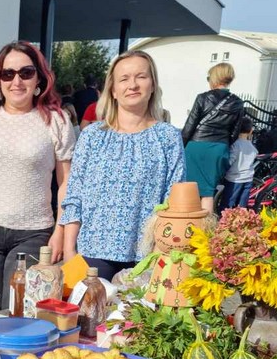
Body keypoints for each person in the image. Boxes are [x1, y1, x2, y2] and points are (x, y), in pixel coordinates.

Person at [0, 41, 74, 308]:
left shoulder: (56, 120)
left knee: (17, 312)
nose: (16, 81)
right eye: (8, 74)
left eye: (25, 73)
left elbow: (65, 182)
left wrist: (61, 231)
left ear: (39, 78)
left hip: (34, 234)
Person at [60, 50, 185, 280]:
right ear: (113, 90)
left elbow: (173, 201)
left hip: (146, 255)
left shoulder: (167, 137)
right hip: (92, 253)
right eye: (124, 79)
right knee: (88, 316)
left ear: (153, 85)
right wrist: (69, 252)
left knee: (135, 317)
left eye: (141, 76)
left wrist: (159, 256)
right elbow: (74, 194)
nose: (133, 85)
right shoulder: (92, 136)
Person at [181, 62, 245, 213]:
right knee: (208, 191)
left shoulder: (202, 98)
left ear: (214, 78)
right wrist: (223, 145)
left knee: (190, 188)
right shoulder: (237, 102)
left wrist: (181, 146)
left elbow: (189, 125)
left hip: (196, 147)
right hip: (218, 147)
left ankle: (188, 225)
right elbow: (235, 132)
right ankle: (205, 230)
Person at [219, 117, 258, 213]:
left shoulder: (235, 145)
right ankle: (240, 224)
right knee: (242, 207)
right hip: (248, 179)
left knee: (228, 204)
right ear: (250, 131)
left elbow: (230, 161)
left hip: (234, 179)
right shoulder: (252, 146)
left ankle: (223, 222)